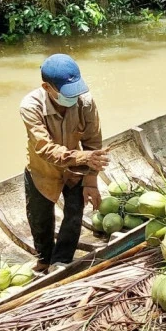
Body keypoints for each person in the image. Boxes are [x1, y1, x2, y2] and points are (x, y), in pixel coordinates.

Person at [21, 54, 108, 273]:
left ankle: (61, 260)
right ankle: (44, 259)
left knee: (74, 212)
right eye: (66, 93)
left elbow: (92, 144)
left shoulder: (85, 101)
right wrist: (82, 158)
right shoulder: (30, 106)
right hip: (43, 170)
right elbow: (44, 148)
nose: (74, 97)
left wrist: (90, 182)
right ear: (47, 87)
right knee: (40, 218)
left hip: (75, 171)